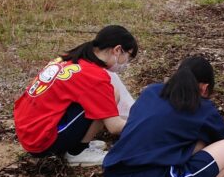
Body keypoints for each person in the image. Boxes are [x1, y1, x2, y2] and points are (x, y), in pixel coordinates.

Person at [13, 25, 138, 166]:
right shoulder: (95, 76)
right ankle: (78, 152)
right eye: (128, 57)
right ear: (117, 50)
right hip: (41, 141)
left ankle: (78, 141)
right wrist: (150, 124)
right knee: (104, 98)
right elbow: (114, 126)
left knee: (109, 93)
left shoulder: (72, 58)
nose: (126, 64)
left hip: (29, 129)